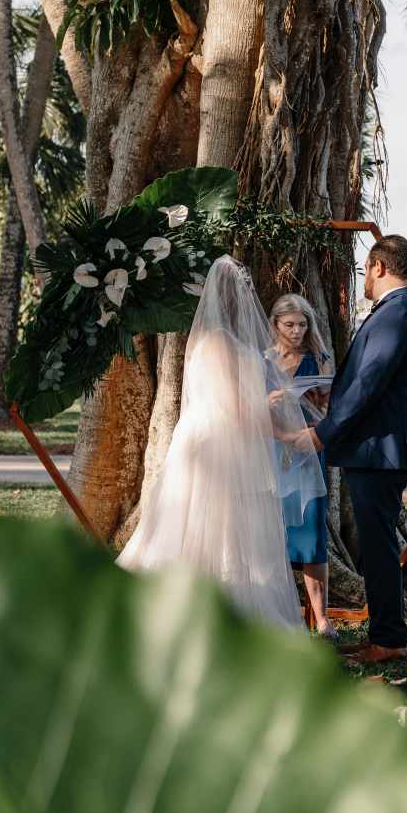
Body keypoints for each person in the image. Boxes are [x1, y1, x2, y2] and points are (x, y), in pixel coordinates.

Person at [118, 257, 327, 628]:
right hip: (214, 447)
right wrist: (273, 413)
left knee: (225, 532)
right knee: (207, 527)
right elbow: (234, 407)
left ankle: (214, 610)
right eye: (243, 291)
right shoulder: (216, 342)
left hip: (228, 440)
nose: (248, 299)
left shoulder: (227, 340)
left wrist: (281, 428)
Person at [305, 235, 407, 665]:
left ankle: (389, 639)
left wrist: (323, 433)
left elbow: (369, 382)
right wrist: (332, 393)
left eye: (365, 270)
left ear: (379, 267)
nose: (365, 279)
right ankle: (384, 634)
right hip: (378, 450)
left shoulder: (399, 312)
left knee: (378, 550)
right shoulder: (401, 310)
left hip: (381, 451)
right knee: (376, 548)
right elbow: (367, 379)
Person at [268, 293, 335, 638]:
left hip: (308, 450)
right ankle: (276, 612)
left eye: (302, 325)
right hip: (271, 451)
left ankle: (322, 619)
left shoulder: (319, 359)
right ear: (275, 324)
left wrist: (320, 398)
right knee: (272, 531)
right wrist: (268, 402)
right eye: (289, 325)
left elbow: (330, 410)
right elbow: (244, 409)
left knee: (311, 533)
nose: (296, 331)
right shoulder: (261, 361)